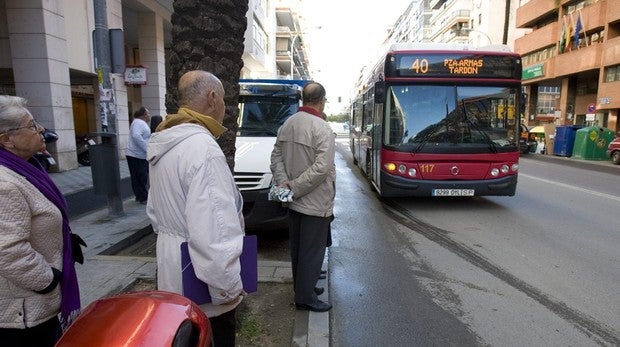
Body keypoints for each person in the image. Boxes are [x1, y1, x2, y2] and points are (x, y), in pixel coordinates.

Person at [146, 71, 245, 347]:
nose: (226, 107)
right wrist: (227, 290)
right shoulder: (203, 149)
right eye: (224, 99)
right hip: (204, 284)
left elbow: (153, 211)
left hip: (172, 267)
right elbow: (214, 232)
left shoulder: (165, 142)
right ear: (213, 99)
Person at [0, 95, 83, 346]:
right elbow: (8, 249)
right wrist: (48, 280)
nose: (41, 130)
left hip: (33, 306)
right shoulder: (5, 184)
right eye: (32, 125)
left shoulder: (26, 168)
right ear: (6, 139)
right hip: (22, 312)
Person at [270, 82, 336, 312]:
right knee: (312, 252)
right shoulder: (322, 128)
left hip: (293, 200)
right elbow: (322, 169)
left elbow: (275, 156)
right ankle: (305, 299)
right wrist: (294, 187)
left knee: (298, 250)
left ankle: (304, 289)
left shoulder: (287, 123)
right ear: (322, 100)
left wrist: (285, 185)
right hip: (315, 202)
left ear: (303, 99)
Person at [126, 106, 151, 204]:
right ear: (143, 115)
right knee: (140, 176)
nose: (149, 116)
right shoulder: (138, 123)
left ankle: (141, 196)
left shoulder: (138, 123)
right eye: (148, 113)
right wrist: (146, 148)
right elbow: (136, 136)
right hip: (136, 154)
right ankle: (142, 197)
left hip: (138, 154)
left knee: (139, 176)